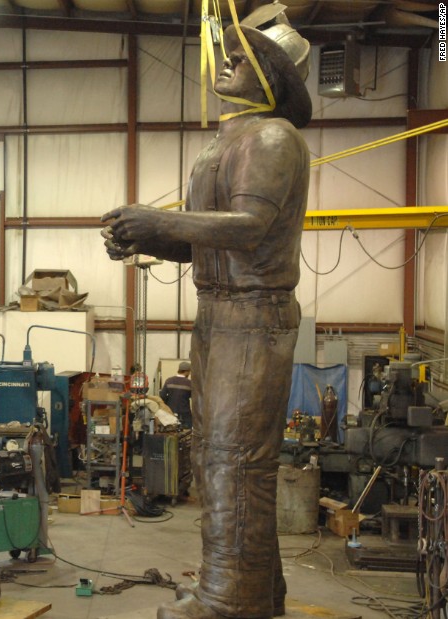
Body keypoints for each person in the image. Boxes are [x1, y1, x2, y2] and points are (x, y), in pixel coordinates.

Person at [101, 5, 311, 619]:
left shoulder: (271, 137)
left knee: (233, 459)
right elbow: (206, 241)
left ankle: (230, 597)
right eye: (229, 52)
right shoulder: (230, 140)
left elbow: (250, 226)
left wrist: (159, 219)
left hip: (252, 314)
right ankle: (254, 590)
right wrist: (148, 237)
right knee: (225, 455)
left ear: (274, 78)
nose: (227, 60)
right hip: (220, 312)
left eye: (245, 58)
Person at [160, 361, 193, 429]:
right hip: (185, 414)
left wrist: (168, 403)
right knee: (186, 435)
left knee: (171, 433)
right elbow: (194, 398)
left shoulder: (169, 381)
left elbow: (162, 395)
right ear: (186, 371)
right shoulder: (189, 383)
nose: (189, 373)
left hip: (170, 413)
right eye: (189, 371)